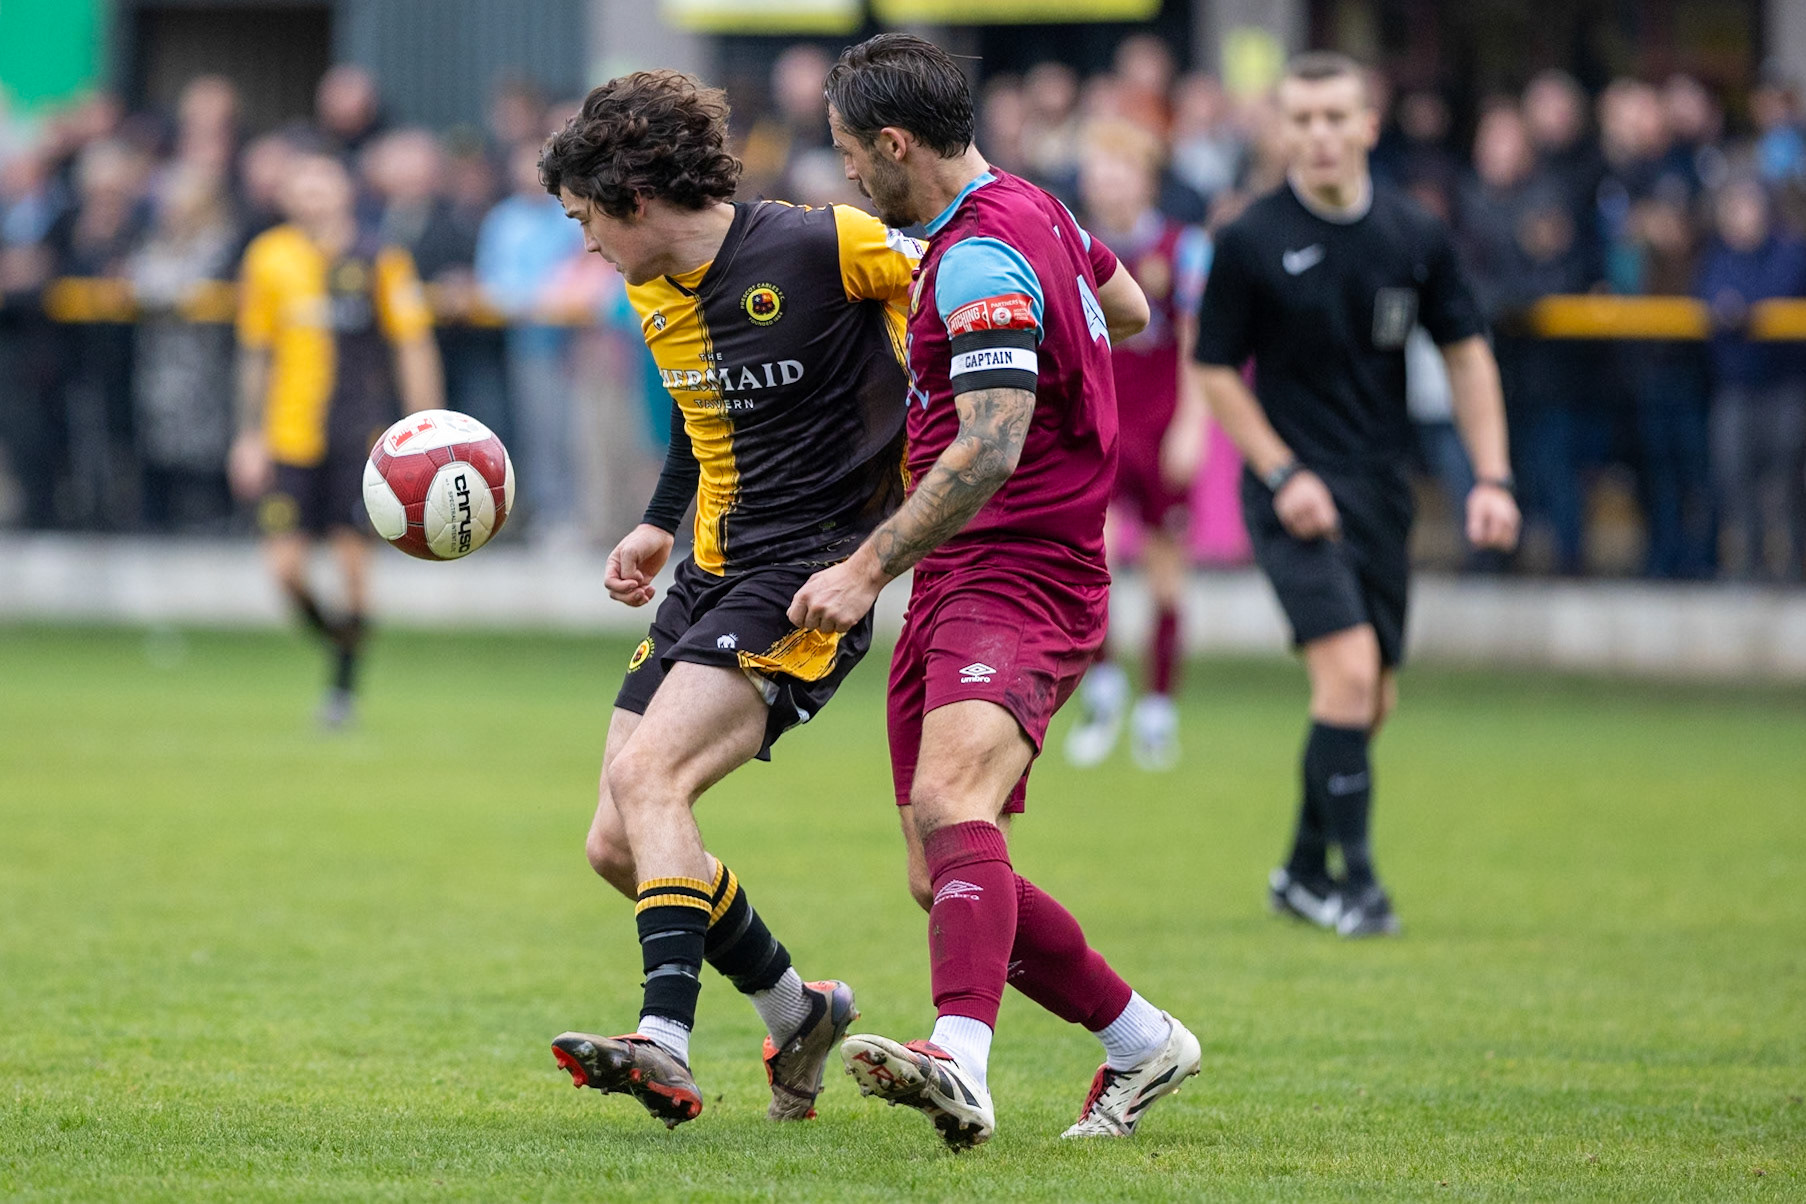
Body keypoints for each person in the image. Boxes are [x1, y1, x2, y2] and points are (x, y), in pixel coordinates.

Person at [790, 33, 1201, 1149]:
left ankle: (958, 1059)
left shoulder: (975, 258)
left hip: (1022, 567)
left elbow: (989, 450)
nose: (844, 177)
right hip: (969, 573)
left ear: (895, 143)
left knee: (948, 807)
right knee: (945, 875)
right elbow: (1128, 312)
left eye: (847, 153)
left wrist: (864, 563)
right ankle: (1141, 1041)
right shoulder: (1039, 210)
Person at [535, 69, 922, 1129]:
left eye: (585, 222)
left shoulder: (826, 244)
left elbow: (974, 283)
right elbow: (693, 408)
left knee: (655, 775)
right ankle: (800, 1009)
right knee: (615, 841)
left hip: (808, 577)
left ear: (634, 196)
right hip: (709, 570)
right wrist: (661, 519)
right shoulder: (649, 288)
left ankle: (663, 1035)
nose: (585, 245)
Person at [1191, 53, 1520, 938]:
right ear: (1280, 130)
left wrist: (1491, 476)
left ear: (1370, 124)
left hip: (1380, 488)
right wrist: (1280, 470)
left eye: (1337, 116)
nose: (1320, 135)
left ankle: (1300, 871)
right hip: (1293, 488)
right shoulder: (1250, 238)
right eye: (1301, 119)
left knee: (1372, 701)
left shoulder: (1417, 235)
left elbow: (1469, 355)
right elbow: (1214, 367)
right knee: (1347, 675)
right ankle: (1360, 888)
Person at [228, 142, 444, 727]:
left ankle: (342, 691)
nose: (312, 196)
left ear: (344, 191)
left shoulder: (380, 258)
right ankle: (341, 643)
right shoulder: (267, 257)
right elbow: (255, 351)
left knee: (352, 567)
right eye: (302, 186)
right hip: (288, 437)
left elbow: (412, 343)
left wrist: (431, 427)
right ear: (288, 196)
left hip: (357, 438)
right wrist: (247, 435)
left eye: (322, 184)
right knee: (285, 571)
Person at [1063, 120, 1212, 771]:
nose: (1107, 183)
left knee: (1163, 567)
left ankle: (1158, 709)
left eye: (1119, 170)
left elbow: (1198, 344)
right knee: (1089, 565)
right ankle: (1102, 691)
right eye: (1098, 171)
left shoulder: (1183, 249)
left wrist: (1193, 424)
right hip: (1095, 428)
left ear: (1144, 179)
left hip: (1159, 427)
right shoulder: (1070, 244)